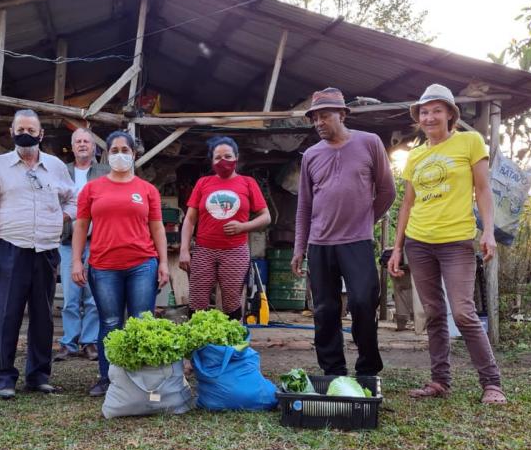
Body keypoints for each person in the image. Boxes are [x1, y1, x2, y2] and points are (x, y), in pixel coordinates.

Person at [387, 83, 505, 404]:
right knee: (434, 313)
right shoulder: (416, 155)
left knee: (464, 312)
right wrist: (397, 248)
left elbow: (483, 190)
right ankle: (440, 381)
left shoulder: (469, 141)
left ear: (450, 114)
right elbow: (407, 204)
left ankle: (492, 383)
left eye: (437, 110)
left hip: (456, 242)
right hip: (419, 242)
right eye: (424, 112)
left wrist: (488, 231)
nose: (429, 117)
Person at [292, 87, 395, 377]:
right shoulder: (311, 155)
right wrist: (299, 247)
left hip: (357, 241)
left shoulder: (369, 142)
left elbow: (387, 190)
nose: (319, 123)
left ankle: (367, 369)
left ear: (343, 114)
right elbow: (304, 206)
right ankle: (333, 371)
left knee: (363, 302)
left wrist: (366, 220)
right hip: (320, 243)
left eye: (325, 116)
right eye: (314, 118)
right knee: (325, 310)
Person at [0, 109, 76, 399]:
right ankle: (4, 377)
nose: (26, 134)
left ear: (41, 134)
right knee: (7, 314)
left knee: (43, 316)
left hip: (46, 249)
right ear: (11, 131)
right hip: (9, 247)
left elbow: (75, 199)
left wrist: (61, 218)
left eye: (32, 130)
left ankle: (39, 375)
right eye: (21, 129)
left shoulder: (56, 166)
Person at [71, 130, 169, 397]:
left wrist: (163, 263)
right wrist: (76, 262)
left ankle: (141, 379)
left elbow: (157, 227)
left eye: (125, 150)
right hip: (103, 266)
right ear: (106, 156)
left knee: (141, 323)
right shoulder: (92, 189)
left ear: (133, 155)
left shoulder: (147, 190)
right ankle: (108, 378)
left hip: (142, 265)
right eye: (114, 151)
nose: (120, 155)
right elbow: (80, 226)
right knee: (111, 323)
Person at [179, 136, 272, 321]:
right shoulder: (203, 183)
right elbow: (190, 219)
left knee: (231, 301)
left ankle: (230, 344)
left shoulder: (248, 183)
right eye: (218, 157)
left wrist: (243, 227)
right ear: (212, 161)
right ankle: (199, 343)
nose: (223, 161)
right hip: (204, 250)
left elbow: (266, 217)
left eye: (228, 156)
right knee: (197, 301)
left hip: (235, 251)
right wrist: (184, 249)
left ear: (236, 157)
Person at [55, 128, 109, 361]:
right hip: (67, 241)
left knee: (93, 296)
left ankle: (89, 342)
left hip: (98, 241)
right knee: (70, 295)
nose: (83, 144)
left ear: (94, 147)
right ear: (72, 146)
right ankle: (69, 342)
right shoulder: (61, 171)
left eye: (87, 141)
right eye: (78, 141)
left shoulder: (104, 172)